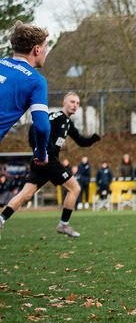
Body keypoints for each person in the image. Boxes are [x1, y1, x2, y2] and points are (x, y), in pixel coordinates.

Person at [0, 92, 100, 238]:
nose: (75, 105)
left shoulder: (68, 123)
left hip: (45, 163)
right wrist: (37, 150)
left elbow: (80, 141)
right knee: (75, 188)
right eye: (72, 102)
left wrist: (92, 139)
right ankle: (63, 224)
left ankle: (1, 219)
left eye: (77, 103)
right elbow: (33, 127)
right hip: (48, 160)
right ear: (64, 103)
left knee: (26, 194)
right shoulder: (56, 116)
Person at [0, 21, 50, 160]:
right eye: (45, 47)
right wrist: (41, 153)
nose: (46, 51)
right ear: (36, 49)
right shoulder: (36, 81)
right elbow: (42, 127)